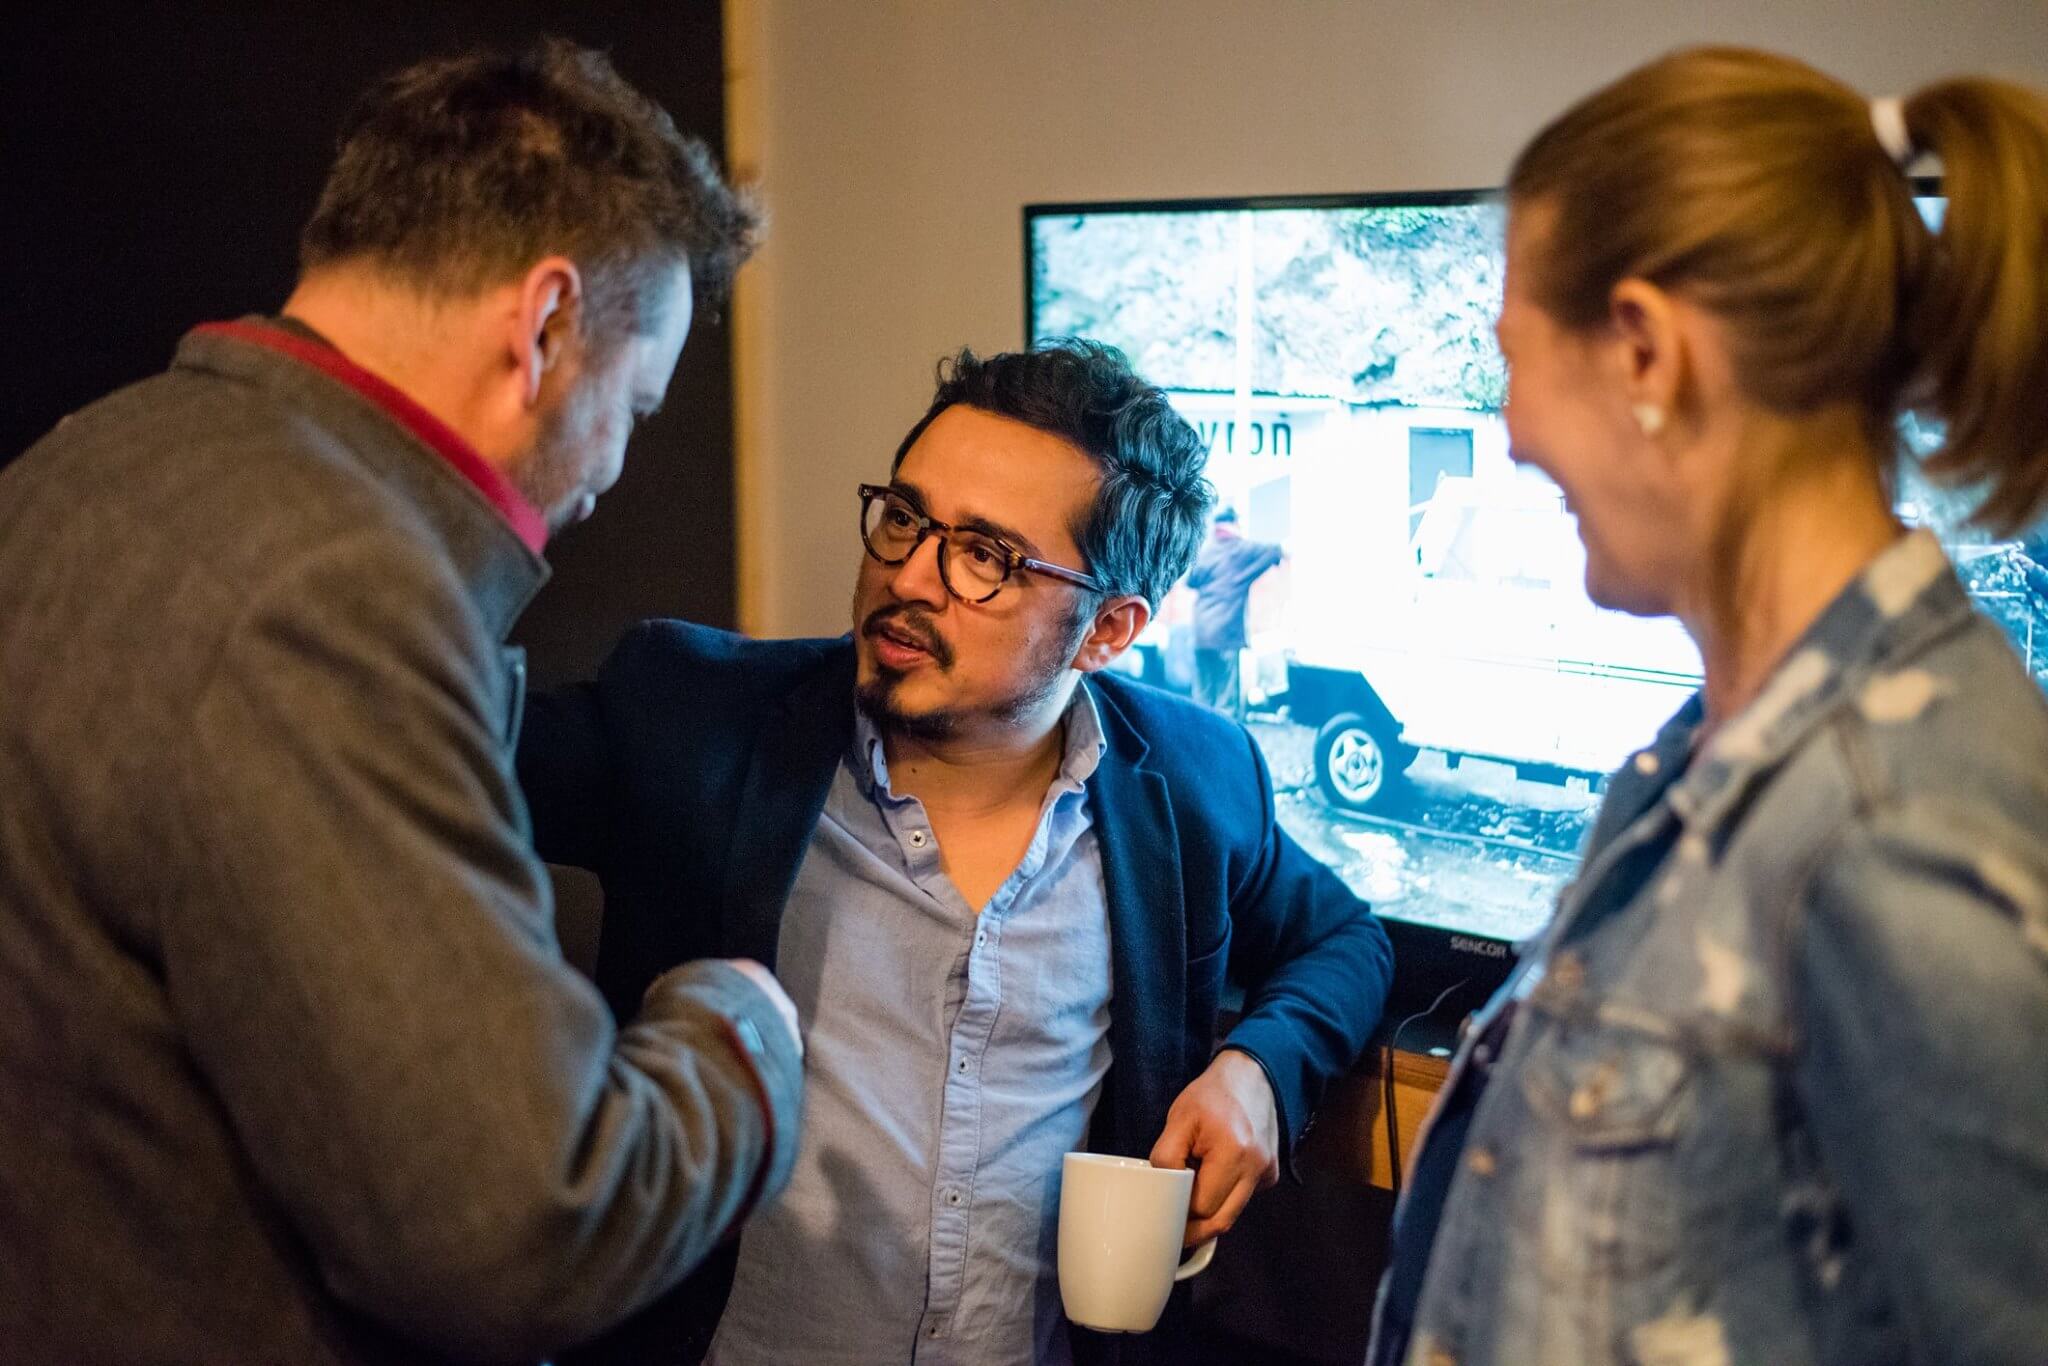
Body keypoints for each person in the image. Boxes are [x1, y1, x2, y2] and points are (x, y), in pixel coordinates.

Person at [0, 40, 807, 1365]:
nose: (613, 466)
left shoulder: (79, 464)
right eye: (634, 401)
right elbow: (522, 1225)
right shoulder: (334, 591)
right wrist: (741, 1033)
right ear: (545, 325)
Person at [518, 339, 1393, 1366]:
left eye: (985, 556)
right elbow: (417, 746)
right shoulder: (689, 718)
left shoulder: (1194, 780)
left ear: (1108, 631)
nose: (908, 576)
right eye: (904, 517)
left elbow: (1345, 940)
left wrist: (1258, 1072)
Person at [1369, 47, 2048, 1366]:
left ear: (1645, 350)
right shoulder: (1713, 753)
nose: (1509, 433)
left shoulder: (1897, 828)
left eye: (1512, 359)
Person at [1186, 506, 1285, 717]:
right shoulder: (1240, 550)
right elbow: (1275, 551)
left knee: (1202, 695)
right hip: (1225, 634)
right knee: (1225, 700)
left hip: (1201, 633)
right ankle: (1223, 735)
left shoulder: (1205, 551)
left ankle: (1199, 733)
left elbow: (1191, 581)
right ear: (1233, 524)